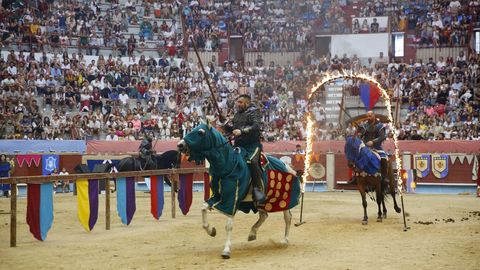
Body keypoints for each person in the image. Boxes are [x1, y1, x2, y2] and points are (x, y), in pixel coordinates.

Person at [223, 95, 266, 204]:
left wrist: (242, 131)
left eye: (240, 102)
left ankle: (257, 189)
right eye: (237, 102)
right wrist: (225, 125)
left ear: (247, 103)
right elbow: (232, 130)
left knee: (253, 161)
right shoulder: (237, 115)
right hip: (239, 145)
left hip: (252, 145)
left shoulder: (254, 111)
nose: (238, 104)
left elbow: (256, 126)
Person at [355, 111, 388, 184]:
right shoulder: (364, 125)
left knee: (383, 158)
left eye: (370, 116)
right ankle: (356, 176)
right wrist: (360, 132)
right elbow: (362, 135)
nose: (369, 118)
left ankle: (384, 177)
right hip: (366, 147)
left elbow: (382, 137)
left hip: (377, 147)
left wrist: (373, 141)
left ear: (374, 115)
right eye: (368, 116)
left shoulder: (380, 125)